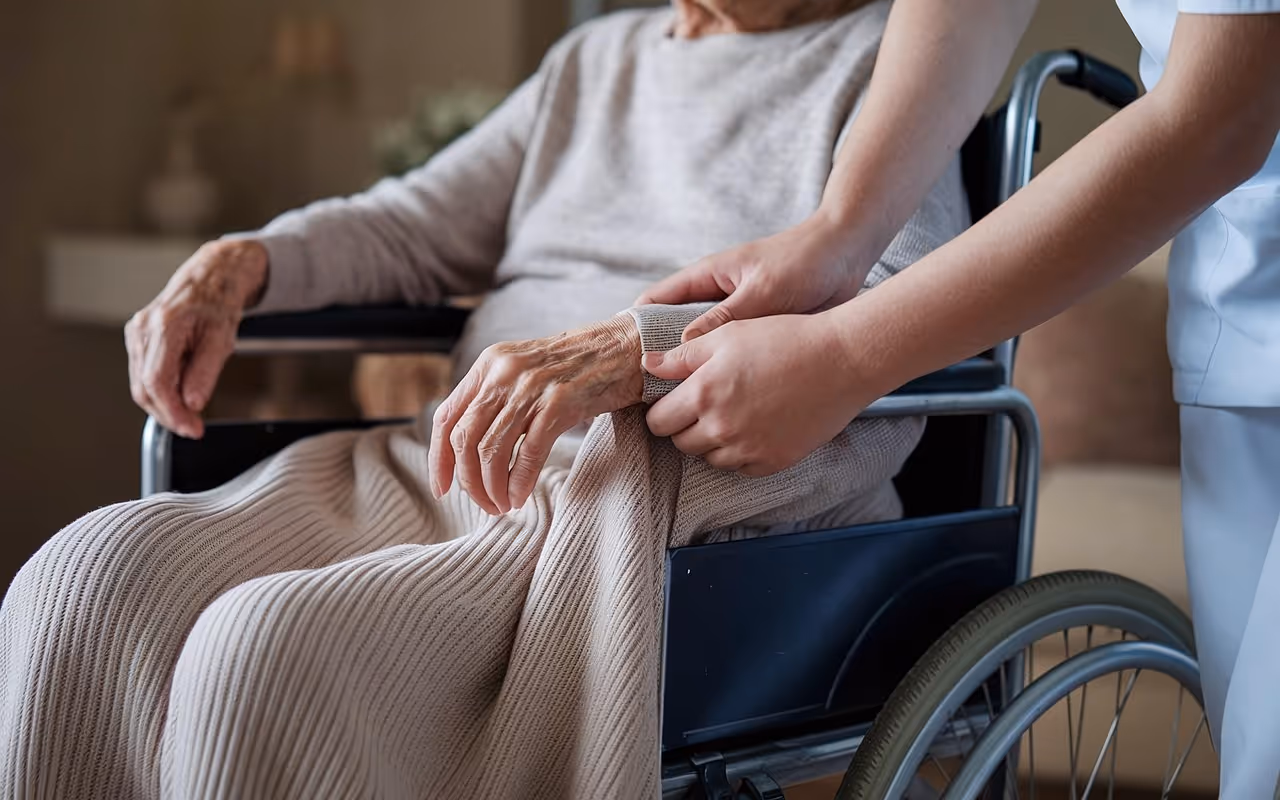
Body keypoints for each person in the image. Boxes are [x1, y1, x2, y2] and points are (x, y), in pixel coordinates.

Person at [0, 1, 969, 797]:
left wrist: (631, 356)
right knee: (85, 577)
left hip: (643, 497)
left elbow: (896, 313)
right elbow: (413, 224)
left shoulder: (900, 61)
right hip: (459, 455)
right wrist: (244, 262)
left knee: (267, 655)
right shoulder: (596, 59)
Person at [638, 0, 1280, 794]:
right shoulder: (602, 60)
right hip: (1243, 300)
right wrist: (835, 233)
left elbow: (1222, 111)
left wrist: (843, 355)